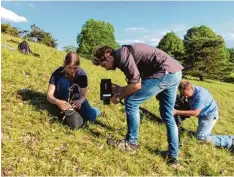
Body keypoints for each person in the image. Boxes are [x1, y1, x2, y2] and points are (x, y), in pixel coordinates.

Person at [93, 43, 183, 165]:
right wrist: (122, 89)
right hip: (175, 72)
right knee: (167, 114)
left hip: (164, 73)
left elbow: (136, 85)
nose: (106, 69)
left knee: (131, 102)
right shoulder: (124, 55)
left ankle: (131, 143)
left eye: (104, 65)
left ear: (107, 55)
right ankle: (173, 157)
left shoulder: (122, 55)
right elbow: (135, 83)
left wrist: (119, 97)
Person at [174, 80, 234, 150]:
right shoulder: (189, 90)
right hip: (203, 115)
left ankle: (230, 142)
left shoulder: (201, 95)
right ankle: (230, 138)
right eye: (183, 95)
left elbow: (195, 112)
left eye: (185, 95)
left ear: (189, 89)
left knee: (200, 137)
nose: (185, 97)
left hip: (209, 116)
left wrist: (177, 112)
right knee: (204, 135)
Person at [47, 52, 101, 129]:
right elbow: (49, 96)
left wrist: (80, 101)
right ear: (64, 64)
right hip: (62, 102)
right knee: (64, 81)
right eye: (69, 67)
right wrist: (57, 102)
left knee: (91, 116)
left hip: (77, 101)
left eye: (75, 68)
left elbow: (83, 96)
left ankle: (96, 110)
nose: (72, 71)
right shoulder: (57, 74)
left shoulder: (82, 75)